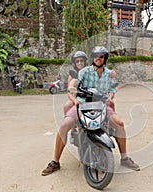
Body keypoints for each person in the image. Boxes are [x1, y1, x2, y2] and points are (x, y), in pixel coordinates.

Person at [41, 46, 139, 176]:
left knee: (119, 123)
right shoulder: (84, 72)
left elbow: (112, 91)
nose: (98, 59)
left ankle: (125, 158)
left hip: (102, 105)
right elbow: (72, 88)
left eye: (101, 56)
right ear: (93, 58)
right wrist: (74, 99)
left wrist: (109, 98)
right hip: (83, 105)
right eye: (96, 56)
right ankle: (55, 161)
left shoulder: (109, 74)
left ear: (105, 58)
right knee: (65, 125)